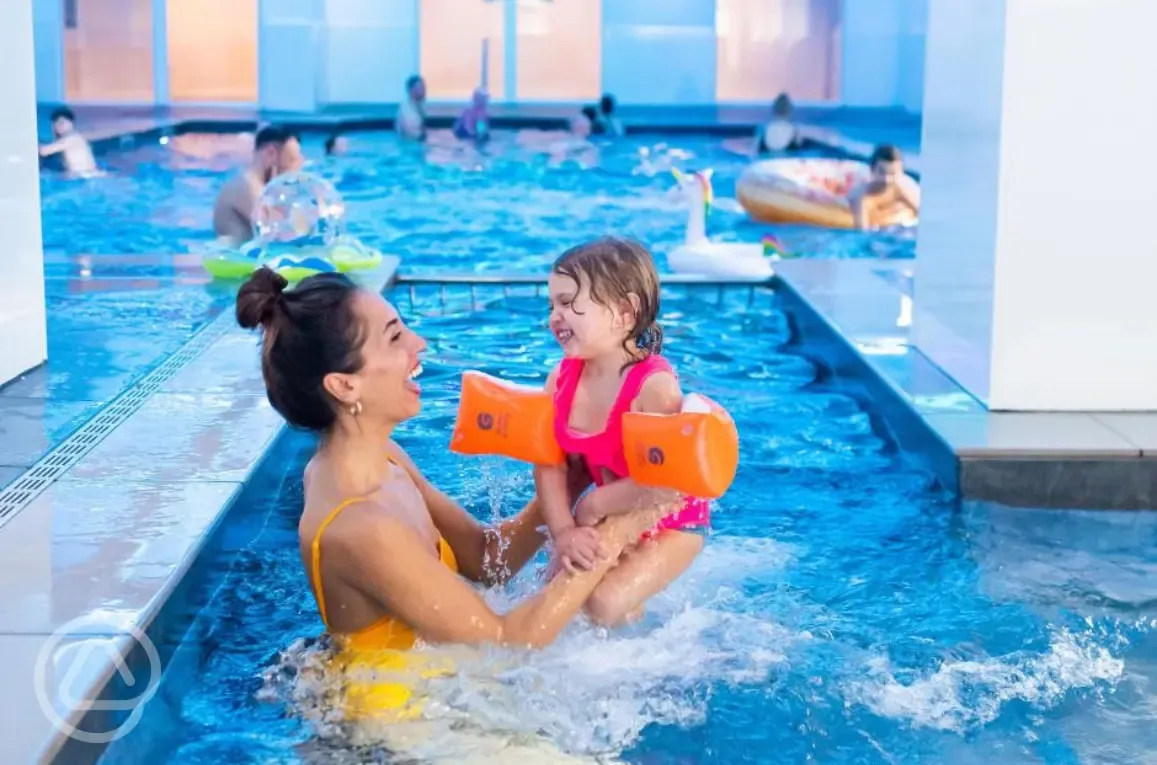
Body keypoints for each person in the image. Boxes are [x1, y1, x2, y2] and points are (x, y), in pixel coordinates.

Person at [235, 268, 677, 655]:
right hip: (395, 726)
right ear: (344, 386)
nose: (418, 343)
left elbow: (485, 560)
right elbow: (506, 641)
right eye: (394, 337)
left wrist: (572, 477)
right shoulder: (359, 528)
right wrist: (619, 529)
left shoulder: (383, 458)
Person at [535, 237, 708, 627]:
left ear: (624, 312)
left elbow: (669, 485)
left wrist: (592, 507)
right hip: (615, 507)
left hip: (674, 522)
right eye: (551, 305)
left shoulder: (653, 388)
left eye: (567, 303)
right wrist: (564, 532)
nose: (554, 317)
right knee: (552, 595)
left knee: (601, 603)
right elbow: (549, 467)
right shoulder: (560, 380)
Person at [211, 125, 293, 244]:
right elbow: (281, 234)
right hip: (233, 260)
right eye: (291, 160)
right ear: (271, 154)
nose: (295, 170)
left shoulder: (257, 186)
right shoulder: (246, 186)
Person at [848, 144, 920, 230]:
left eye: (893, 174)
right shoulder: (862, 197)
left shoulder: (899, 188)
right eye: (882, 173)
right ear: (872, 170)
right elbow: (862, 232)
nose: (887, 179)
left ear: (902, 173)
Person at [38, 106, 98, 176]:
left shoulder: (72, 139)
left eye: (62, 123)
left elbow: (43, 151)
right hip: (82, 176)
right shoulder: (71, 138)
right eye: (56, 124)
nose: (59, 126)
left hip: (84, 176)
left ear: (71, 123)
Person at [397, 75, 427, 141]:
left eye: (424, 88)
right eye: (421, 88)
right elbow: (411, 134)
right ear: (412, 90)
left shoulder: (418, 106)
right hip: (411, 146)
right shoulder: (407, 111)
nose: (424, 91)